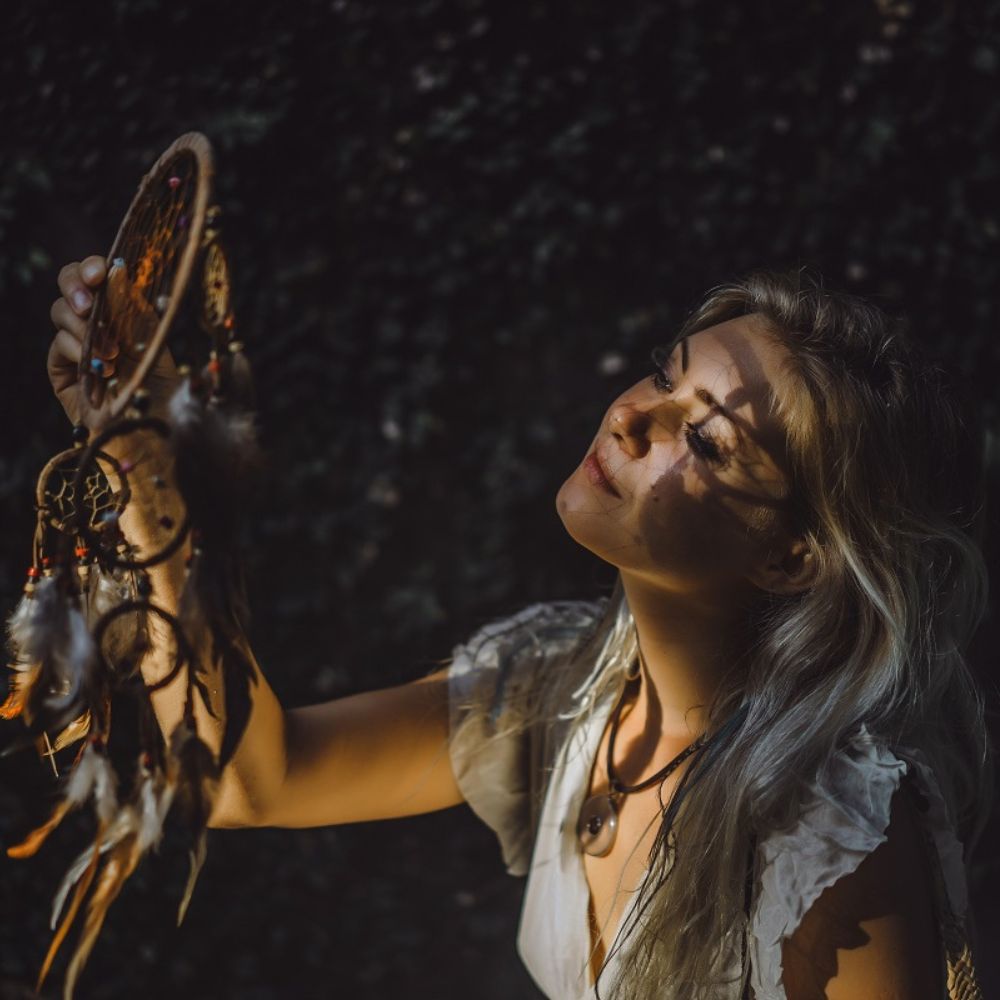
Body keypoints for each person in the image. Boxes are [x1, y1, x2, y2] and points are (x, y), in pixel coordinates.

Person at [47, 258, 991, 999]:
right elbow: (255, 777)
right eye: (665, 374)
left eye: (704, 440)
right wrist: (142, 466)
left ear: (793, 557)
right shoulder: (557, 685)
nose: (630, 415)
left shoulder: (833, 837)